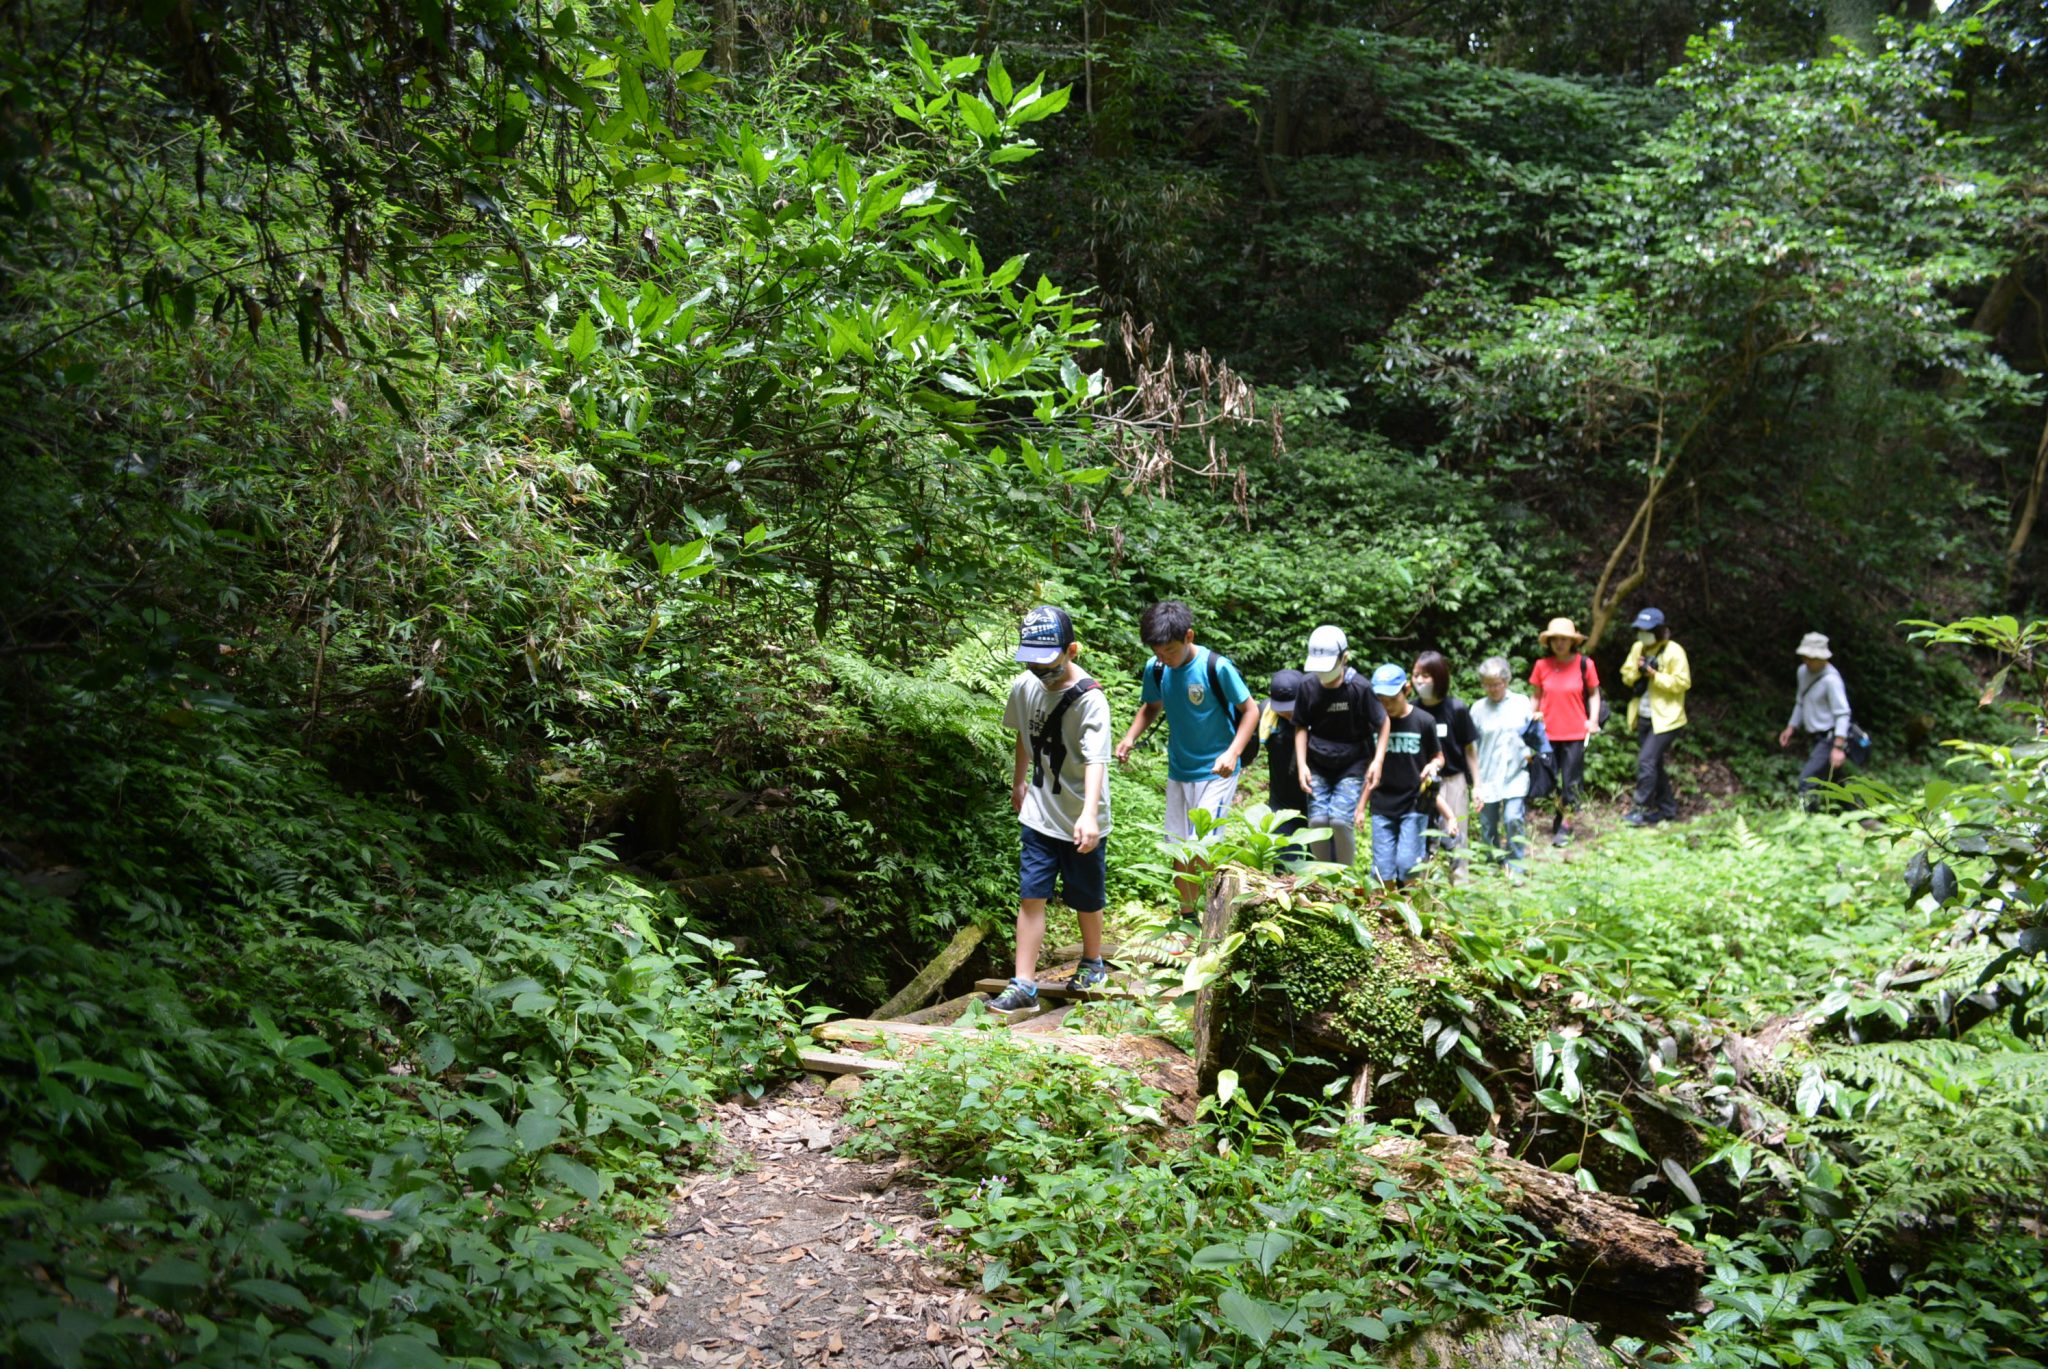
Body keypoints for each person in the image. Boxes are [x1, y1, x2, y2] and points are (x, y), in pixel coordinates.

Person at [990, 606, 1113, 1016]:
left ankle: (1093, 962)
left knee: (1086, 897)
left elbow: (1097, 759)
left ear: (1071, 650)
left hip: (1080, 814)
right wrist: (1018, 780)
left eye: (1047, 662)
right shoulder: (1024, 685)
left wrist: (1089, 814)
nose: (1038, 670)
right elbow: (1026, 735)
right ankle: (1023, 984)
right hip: (1039, 812)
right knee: (1031, 895)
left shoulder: (1091, 700)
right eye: (1031, 661)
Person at [1116, 600, 1259, 905]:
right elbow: (1151, 706)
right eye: (1157, 652)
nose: (1164, 658)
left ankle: (1212, 915)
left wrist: (1233, 753)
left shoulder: (1215, 667)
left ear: (1189, 636)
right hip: (1179, 771)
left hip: (1216, 771)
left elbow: (1251, 710)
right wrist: (1129, 737)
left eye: (1170, 651)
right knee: (1178, 848)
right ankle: (1187, 918)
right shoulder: (1156, 669)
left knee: (1202, 847)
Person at [1292, 625, 1390, 869]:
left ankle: (1343, 875)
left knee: (1338, 821)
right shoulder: (1307, 686)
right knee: (1316, 822)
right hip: (1317, 761)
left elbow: (1383, 721)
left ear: (1343, 658)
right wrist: (1302, 764)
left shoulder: (1359, 687)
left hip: (1353, 763)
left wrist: (1377, 761)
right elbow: (1301, 726)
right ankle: (1322, 877)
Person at [1366, 664, 1457, 886]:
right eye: (1380, 699)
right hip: (1382, 804)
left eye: (1391, 698)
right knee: (1382, 869)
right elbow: (1367, 768)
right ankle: (1386, 915)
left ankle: (1410, 913)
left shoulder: (1424, 721)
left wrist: (1433, 766)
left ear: (1406, 690)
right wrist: (1361, 807)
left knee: (1408, 864)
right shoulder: (1373, 724)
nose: (1386, 704)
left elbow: (1439, 756)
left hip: (1414, 804)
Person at [1528, 617, 1603, 847]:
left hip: (1575, 734)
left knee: (1572, 782)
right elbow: (1536, 695)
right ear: (1549, 642)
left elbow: (1593, 693)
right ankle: (1560, 815)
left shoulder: (1584, 664)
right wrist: (1531, 719)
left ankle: (1567, 826)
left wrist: (1593, 720)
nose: (1560, 643)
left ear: (1572, 642)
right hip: (1547, 734)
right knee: (1547, 782)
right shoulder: (1542, 665)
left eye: (1564, 639)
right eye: (1555, 639)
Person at [1468, 656, 1540, 875]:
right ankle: (1491, 862)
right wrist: (1476, 783)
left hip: (1516, 773)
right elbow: (1472, 747)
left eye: (1497, 684)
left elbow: (1532, 735)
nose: (1493, 689)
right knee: (1488, 823)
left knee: (1512, 817)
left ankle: (1516, 863)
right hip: (1487, 774)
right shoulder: (1477, 709)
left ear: (1506, 681)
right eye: (1488, 684)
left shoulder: (1521, 703)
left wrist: (1531, 757)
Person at [1619, 608, 1691, 827]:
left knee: (1646, 761)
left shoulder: (1673, 650)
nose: (1643, 634)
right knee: (1654, 764)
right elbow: (1626, 675)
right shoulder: (1638, 648)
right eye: (1639, 630)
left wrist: (1656, 675)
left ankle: (1641, 810)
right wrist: (1638, 673)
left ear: (1659, 630)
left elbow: (1683, 683)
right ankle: (1667, 809)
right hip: (1643, 714)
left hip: (1668, 718)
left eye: (1647, 630)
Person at [1411, 651, 1477, 881]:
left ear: (1439, 677)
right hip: (1422, 784)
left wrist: (1477, 785)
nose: (1419, 680)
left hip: (1452, 781)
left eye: (1426, 675)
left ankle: (1459, 886)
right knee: (1425, 837)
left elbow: (1469, 749)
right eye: (1416, 674)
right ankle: (1426, 890)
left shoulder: (1456, 709)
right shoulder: (1412, 709)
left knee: (1455, 835)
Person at [1778, 632, 1854, 808]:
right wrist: (1791, 727)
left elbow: (1842, 714)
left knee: (1807, 781)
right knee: (1835, 783)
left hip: (1829, 738)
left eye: (1812, 658)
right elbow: (1800, 701)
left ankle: (1808, 824)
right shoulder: (1802, 672)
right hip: (1815, 736)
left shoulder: (1831, 680)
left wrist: (1838, 747)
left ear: (1822, 657)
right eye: (1805, 657)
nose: (1808, 661)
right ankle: (1860, 819)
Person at [1258, 669, 1311, 864]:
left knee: (1320, 868)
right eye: (1283, 708)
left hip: (1316, 801)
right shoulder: (1265, 715)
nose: (1288, 713)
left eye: (1292, 707)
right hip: (1282, 803)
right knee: (1286, 868)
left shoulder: (1319, 715)